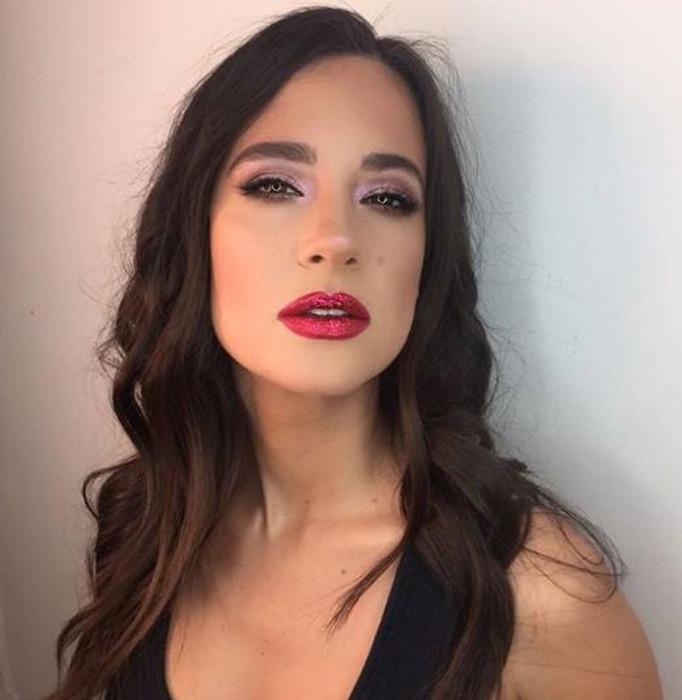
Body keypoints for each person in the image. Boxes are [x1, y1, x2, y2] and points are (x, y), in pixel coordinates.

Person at [47, 5, 662, 700]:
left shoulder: (543, 597)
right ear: (195, 230)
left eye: (388, 198)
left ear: (426, 259)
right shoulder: (144, 531)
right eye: (275, 185)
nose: (334, 239)